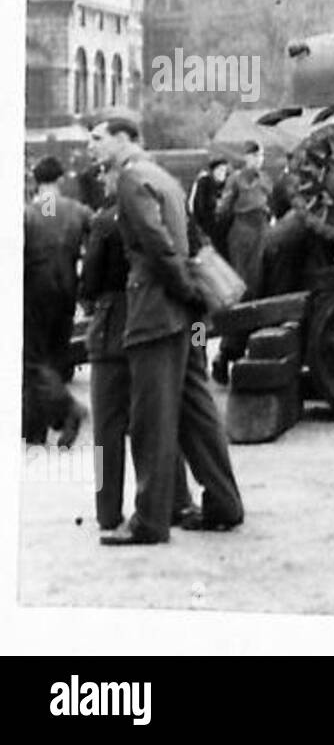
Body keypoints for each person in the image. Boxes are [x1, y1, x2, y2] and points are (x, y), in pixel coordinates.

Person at [87, 114, 244, 546]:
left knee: (151, 420)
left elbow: (158, 245)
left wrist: (184, 287)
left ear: (126, 139)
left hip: (155, 311)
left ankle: (151, 522)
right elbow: (191, 238)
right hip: (183, 318)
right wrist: (192, 295)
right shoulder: (166, 178)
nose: (91, 147)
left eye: (99, 139)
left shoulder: (132, 179)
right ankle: (225, 503)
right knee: (197, 411)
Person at [81, 164, 197, 531]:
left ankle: (107, 510)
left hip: (113, 326)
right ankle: (177, 502)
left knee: (107, 431)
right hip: (156, 318)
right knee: (159, 421)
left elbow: (89, 284)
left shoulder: (103, 222)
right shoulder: (163, 211)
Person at [23, 156, 91, 445]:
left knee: (31, 361)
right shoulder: (78, 211)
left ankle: (65, 411)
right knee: (53, 357)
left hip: (35, 291)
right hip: (67, 290)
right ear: (61, 180)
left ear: (35, 182)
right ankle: (35, 426)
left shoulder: (31, 212)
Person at [212, 142, 271, 384]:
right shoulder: (236, 179)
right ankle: (227, 352)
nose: (259, 159)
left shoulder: (266, 178)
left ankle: (242, 346)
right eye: (255, 155)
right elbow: (224, 208)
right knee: (241, 289)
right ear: (246, 156)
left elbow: (272, 201)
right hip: (243, 230)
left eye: (261, 155)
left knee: (257, 287)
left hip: (262, 228)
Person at [189, 157, 230, 253]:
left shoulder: (226, 184)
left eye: (224, 170)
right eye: (220, 170)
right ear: (213, 171)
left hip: (220, 228)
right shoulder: (204, 183)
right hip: (206, 227)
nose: (222, 173)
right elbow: (199, 208)